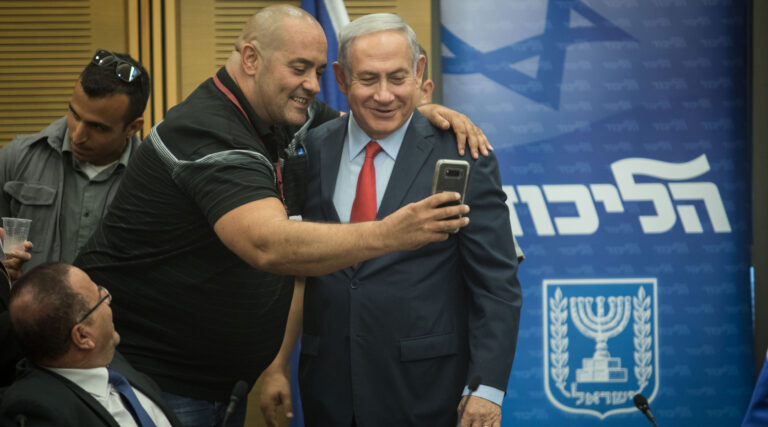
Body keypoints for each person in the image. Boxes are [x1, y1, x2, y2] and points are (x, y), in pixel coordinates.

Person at [74, 5, 486, 426]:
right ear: (251, 59)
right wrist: (392, 232)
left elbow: (363, 120)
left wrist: (420, 115)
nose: (312, 85)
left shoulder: (281, 111)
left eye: (319, 71)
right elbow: (268, 244)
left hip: (216, 382)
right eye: (299, 68)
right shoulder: (206, 129)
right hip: (154, 381)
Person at [259, 13, 522, 427]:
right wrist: (276, 365)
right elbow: (298, 268)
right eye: (368, 79)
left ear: (419, 73)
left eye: (398, 78)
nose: (384, 95)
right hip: (328, 391)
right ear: (342, 79)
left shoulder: (462, 152)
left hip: (427, 391)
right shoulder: (311, 148)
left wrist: (486, 389)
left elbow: (496, 285)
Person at [0, 49, 150, 272]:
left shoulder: (153, 179)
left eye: (97, 127)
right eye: (75, 115)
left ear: (132, 128)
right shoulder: (16, 158)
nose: (78, 136)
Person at [0, 263, 182, 426]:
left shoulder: (107, 359)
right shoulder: (41, 412)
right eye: (101, 298)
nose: (109, 298)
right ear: (83, 336)